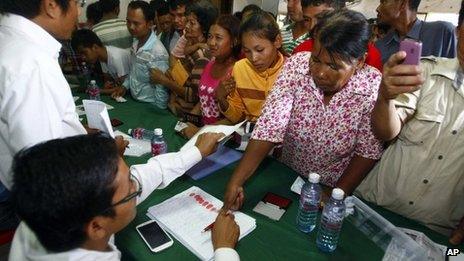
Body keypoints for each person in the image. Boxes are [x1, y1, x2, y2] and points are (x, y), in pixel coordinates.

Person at [223, 10, 384, 211]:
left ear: (359, 62)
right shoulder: (296, 66)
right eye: (316, 60)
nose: (321, 73)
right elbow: (270, 125)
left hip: (334, 184)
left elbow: (368, 150)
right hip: (289, 173)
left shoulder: (372, 86)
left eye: (334, 66)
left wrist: (336, 195)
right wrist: (237, 180)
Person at [8, 132, 240, 261]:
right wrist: (224, 249)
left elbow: (148, 174)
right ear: (97, 226)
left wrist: (196, 152)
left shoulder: (47, 213)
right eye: (131, 186)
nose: (137, 186)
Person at [356, 0, 464, 246]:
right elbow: (386, 132)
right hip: (375, 208)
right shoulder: (424, 71)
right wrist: (385, 97)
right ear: (458, 30)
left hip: (437, 233)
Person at [0, 0, 88, 230]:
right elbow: (47, 172)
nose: (79, 12)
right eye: (77, 3)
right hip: (30, 201)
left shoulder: (8, 40)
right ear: (51, 6)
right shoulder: (32, 63)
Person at [150, 0, 218, 116]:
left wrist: (164, 81)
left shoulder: (202, 55)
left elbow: (194, 96)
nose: (186, 26)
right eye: (187, 21)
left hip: (186, 114)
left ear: (204, 28)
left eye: (192, 23)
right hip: (176, 108)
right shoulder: (190, 44)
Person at [216, 11, 285, 124]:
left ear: (277, 41)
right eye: (247, 51)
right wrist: (221, 99)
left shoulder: (292, 70)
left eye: (260, 50)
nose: (253, 58)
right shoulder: (240, 68)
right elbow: (237, 117)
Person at [181, 15, 242, 138]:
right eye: (209, 36)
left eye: (218, 38)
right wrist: (188, 123)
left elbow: (236, 118)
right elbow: (203, 100)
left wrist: (200, 133)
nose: (211, 43)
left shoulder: (238, 70)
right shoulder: (209, 64)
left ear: (234, 41)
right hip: (202, 132)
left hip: (222, 139)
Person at [293, 0, 383, 71]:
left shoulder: (371, 56)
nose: (313, 26)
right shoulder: (301, 51)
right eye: (307, 19)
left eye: (321, 18)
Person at [112, 1, 170, 109]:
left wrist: (159, 113)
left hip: (150, 106)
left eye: (136, 23)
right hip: (135, 102)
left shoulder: (157, 52)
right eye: (128, 22)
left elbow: (162, 89)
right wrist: (124, 86)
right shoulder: (136, 41)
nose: (131, 27)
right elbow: (134, 71)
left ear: (149, 24)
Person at [375, 0, 456, 64]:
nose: (377, 8)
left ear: (402, 4)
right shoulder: (380, 45)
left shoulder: (443, 33)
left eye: (383, 1)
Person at [71, 29, 131, 95]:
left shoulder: (116, 57)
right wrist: (108, 85)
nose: (83, 57)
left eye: (84, 53)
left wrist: (97, 91)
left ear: (95, 47)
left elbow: (123, 88)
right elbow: (108, 81)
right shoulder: (102, 58)